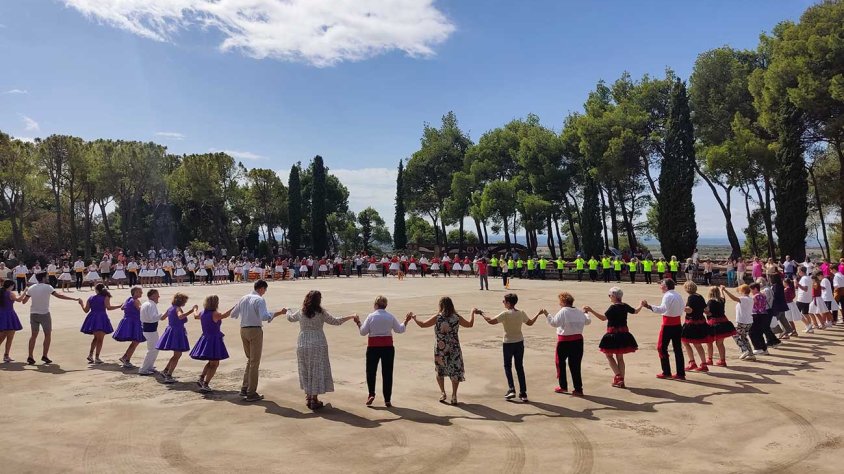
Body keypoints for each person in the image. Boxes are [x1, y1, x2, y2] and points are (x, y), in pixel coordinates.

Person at [286, 290, 356, 409]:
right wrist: (351, 316)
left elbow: (290, 318)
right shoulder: (321, 312)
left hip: (303, 343)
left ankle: (308, 396)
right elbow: (336, 321)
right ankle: (314, 399)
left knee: (305, 369)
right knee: (317, 370)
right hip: (318, 343)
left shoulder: (301, 312)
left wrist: (287, 310)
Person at [410, 297, 475, 405]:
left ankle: (443, 393)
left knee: (440, 371)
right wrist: (472, 312)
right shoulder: (456, 317)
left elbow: (423, 324)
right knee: (455, 371)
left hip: (441, 348)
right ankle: (454, 395)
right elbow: (470, 324)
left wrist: (414, 318)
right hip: (454, 348)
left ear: (441, 305)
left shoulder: (437, 317)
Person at [230, 280, 285, 402]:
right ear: (261, 288)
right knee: (254, 362)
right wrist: (276, 314)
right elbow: (264, 317)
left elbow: (233, 314)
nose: (264, 292)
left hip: (243, 329)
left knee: (250, 360)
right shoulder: (259, 300)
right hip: (254, 330)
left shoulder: (243, 298)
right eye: (265, 290)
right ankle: (251, 392)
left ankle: (245, 388)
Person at [479, 293, 540, 402]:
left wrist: (481, 313)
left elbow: (491, 321)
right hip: (519, 342)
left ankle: (511, 389)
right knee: (519, 367)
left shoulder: (505, 314)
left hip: (508, 342)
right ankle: (523, 393)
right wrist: (538, 314)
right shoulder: (521, 313)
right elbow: (530, 323)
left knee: (507, 366)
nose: (503, 303)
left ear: (508, 303)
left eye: (504, 301)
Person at [355, 295, 412, 407]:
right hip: (387, 347)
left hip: (373, 346)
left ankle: (371, 393)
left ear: (376, 305)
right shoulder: (390, 316)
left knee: (371, 372)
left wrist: (358, 322)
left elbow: (363, 332)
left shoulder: (371, 316)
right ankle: (387, 399)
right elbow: (399, 330)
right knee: (387, 373)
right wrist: (406, 321)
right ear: (385, 305)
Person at [583, 287, 640, 389]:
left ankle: (618, 377)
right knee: (620, 358)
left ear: (614, 296)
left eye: (610, 295)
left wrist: (591, 310)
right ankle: (621, 380)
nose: (609, 297)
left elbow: (603, 318)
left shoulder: (613, 307)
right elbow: (635, 311)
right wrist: (642, 305)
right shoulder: (624, 306)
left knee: (609, 356)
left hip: (613, 334)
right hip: (624, 334)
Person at [21, 272, 82, 365]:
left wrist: (25, 293)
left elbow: (24, 302)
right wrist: (73, 299)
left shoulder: (31, 288)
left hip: (33, 313)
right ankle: (44, 355)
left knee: (33, 335)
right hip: (44, 313)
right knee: (47, 335)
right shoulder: (48, 287)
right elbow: (59, 296)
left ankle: (30, 356)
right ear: (43, 278)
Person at [542, 291, 590, 395]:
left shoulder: (563, 311)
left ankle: (563, 386)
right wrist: (586, 312)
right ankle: (578, 388)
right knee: (575, 365)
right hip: (577, 341)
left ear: (563, 302)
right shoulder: (578, 312)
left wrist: (547, 314)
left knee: (560, 363)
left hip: (564, 340)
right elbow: (587, 321)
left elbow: (554, 323)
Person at [642, 279, 686, 380]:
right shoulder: (678, 295)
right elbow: (682, 308)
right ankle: (680, 373)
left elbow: (662, 309)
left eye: (661, 285)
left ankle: (666, 371)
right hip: (677, 324)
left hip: (668, 325)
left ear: (666, 286)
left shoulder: (667, 296)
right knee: (678, 350)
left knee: (661, 348)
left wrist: (648, 306)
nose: (660, 287)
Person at [189, 295, 235, 393]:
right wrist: (235, 307)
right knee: (214, 364)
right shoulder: (215, 314)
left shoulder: (202, 313)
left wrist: (195, 309)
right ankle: (205, 384)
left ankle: (201, 378)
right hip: (214, 340)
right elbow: (225, 315)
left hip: (205, 338)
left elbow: (195, 315)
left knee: (212, 362)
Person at [155, 293, 199, 383]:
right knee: (177, 355)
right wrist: (192, 310)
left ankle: (166, 370)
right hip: (177, 332)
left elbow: (162, 318)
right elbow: (180, 316)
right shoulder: (178, 308)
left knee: (176, 355)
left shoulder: (170, 308)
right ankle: (168, 375)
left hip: (171, 330)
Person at [79, 283, 122, 364]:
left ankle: (91, 355)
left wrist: (81, 304)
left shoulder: (91, 298)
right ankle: (97, 357)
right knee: (100, 339)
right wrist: (119, 306)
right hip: (101, 317)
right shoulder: (106, 297)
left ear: (96, 290)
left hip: (92, 318)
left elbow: (86, 310)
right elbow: (108, 307)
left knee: (96, 338)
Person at [680, 281, 712, 372]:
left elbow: (689, 310)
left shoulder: (691, 298)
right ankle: (703, 363)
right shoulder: (699, 296)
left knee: (685, 342)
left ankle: (692, 362)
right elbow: (706, 309)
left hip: (692, 322)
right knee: (698, 344)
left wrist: (681, 307)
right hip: (701, 321)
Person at [112, 286, 145, 368]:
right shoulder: (136, 301)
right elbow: (141, 310)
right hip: (135, 322)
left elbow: (122, 307)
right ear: (135, 292)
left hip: (127, 321)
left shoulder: (128, 299)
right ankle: (126, 359)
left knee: (135, 341)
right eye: (140, 292)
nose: (141, 293)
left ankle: (125, 357)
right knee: (136, 341)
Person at [704, 286, 737, 367]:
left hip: (713, 323)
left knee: (709, 342)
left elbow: (708, 312)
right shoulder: (722, 300)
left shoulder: (710, 302)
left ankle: (709, 359)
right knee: (720, 343)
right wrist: (722, 290)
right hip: (723, 322)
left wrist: (704, 311)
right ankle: (722, 360)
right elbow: (723, 296)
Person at [721, 285, 756, 360]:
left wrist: (725, 291)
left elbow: (734, 298)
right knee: (743, 337)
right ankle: (750, 353)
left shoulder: (743, 299)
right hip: (749, 321)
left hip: (742, 321)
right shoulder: (750, 299)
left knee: (734, 334)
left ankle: (744, 350)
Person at [138, 289, 163, 375]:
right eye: (157, 295)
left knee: (154, 349)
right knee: (152, 349)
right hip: (150, 329)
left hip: (148, 328)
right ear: (152, 296)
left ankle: (149, 366)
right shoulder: (151, 305)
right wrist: (163, 315)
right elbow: (153, 318)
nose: (158, 297)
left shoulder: (146, 303)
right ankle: (144, 369)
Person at [0, 280, 25, 362]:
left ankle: (6, 356)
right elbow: (19, 300)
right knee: (9, 337)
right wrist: (25, 292)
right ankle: (6, 355)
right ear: (10, 286)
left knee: (2, 336)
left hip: (1, 315)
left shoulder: (1, 292)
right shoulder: (10, 294)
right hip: (9, 315)